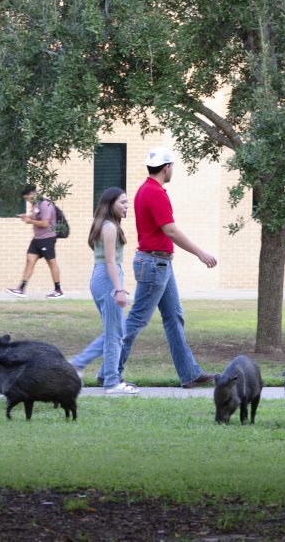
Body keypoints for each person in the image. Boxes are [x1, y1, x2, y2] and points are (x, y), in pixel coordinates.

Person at [117, 146, 218, 388]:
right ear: (167, 167)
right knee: (137, 320)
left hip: (159, 263)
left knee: (174, 317)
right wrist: (200, 253)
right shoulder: (155, 193)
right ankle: (110, 370)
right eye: (172, 166)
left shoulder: (145, 190)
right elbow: (170, 230)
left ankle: (189, 374)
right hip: (154, 263)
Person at [71, 187, 138, 394]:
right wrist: (119, 289)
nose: (127, 206)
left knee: (115, 332)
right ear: (111, 204)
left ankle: (78, 364)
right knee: (115, 334)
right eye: (123, 202)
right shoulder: (110, 227)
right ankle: (111, 382)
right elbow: (110, 261)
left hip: (102, 276)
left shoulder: (106, 225)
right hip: (108, 279)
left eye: (127, 202)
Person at [6, 185, 64, 298]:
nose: (27, 201)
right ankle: (21, 289)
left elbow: (45, 223)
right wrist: (26, 217)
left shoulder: (45, 204)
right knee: (29, 261)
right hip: (37, 239)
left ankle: (58, 290)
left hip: (47, 238)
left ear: (33, 194)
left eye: (27, 198)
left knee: (52, 263)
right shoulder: (35, 204)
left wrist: (29, 221)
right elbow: (36, 218)